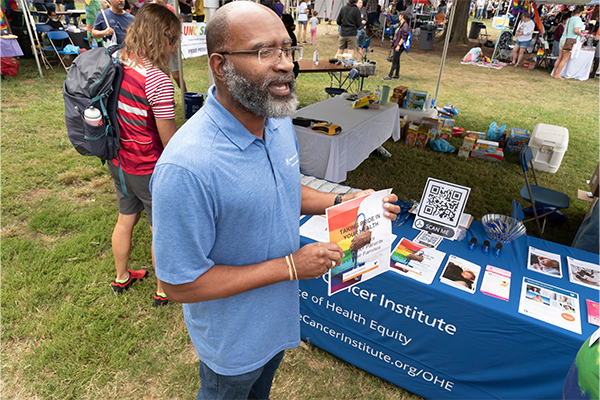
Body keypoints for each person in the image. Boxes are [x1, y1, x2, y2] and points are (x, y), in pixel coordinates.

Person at [149, 3, 401, 398]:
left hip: (278, 321)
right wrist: (289, 266)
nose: (285, 65)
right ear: (220, 65)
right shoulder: (186, 167)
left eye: (288, 49)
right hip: (232, 346)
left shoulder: (278, 119)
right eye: (265, 52)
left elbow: (281, 189)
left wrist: (348, 201)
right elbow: (178, 283)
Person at [107, 3, 180, 308]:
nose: (174, 46)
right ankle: (163, 290)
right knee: (158, 229)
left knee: (126, 218)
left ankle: (122, 276)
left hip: (117, 161)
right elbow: (169, 140)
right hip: (148, 168)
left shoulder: (116, 60)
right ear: (161, 37)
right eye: (173, 39)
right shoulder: (158, 80)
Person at [552, 5, 586, 80]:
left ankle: (554, 73)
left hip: (563, 39)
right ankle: (557, 74)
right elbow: (576, 30)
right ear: (581, 12)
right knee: (564, 59)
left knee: (559, 58)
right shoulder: (578, 20)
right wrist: (581, 34)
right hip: (570, 41)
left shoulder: (570, 19)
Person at [383, 10, 409, 80]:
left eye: (399, 15)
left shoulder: (405, 26)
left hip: (399, 46)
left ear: (402, 16)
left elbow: (404, 36)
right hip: (396, 44)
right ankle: (397, 75)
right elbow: (395, 27)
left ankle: (389, 76)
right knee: (397, 60)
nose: (398, 16)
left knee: (394, 60)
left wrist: (399, 45)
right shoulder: (401, 24)